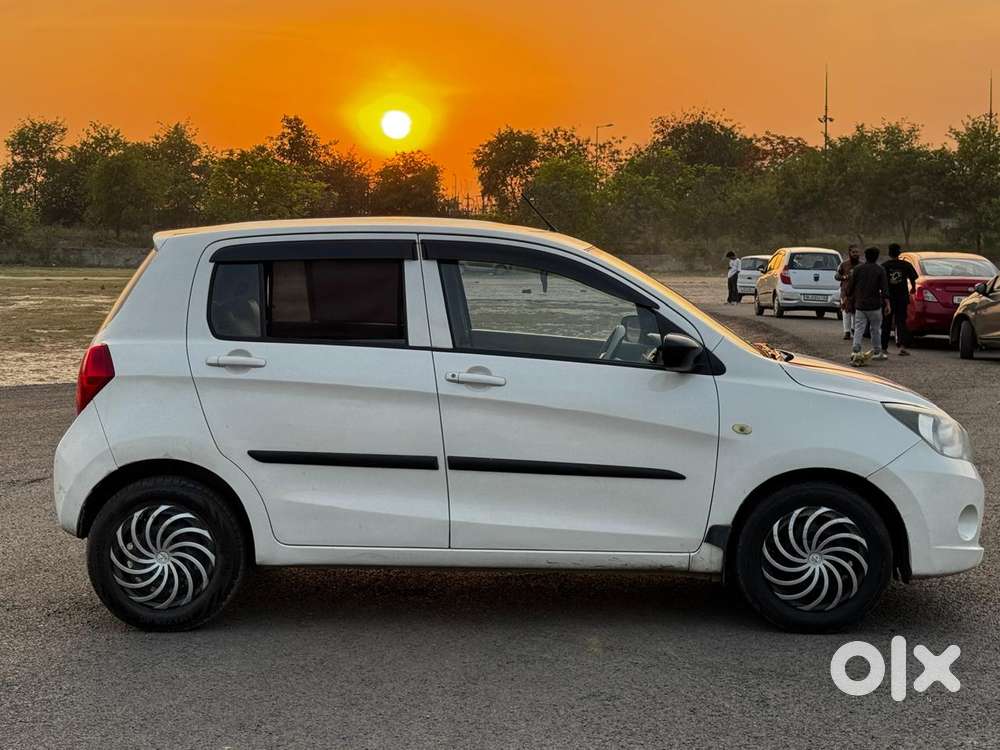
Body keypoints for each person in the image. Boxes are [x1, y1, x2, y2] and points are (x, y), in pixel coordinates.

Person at [846, 246, 890, 365]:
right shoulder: (880, 270)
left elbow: (850, 287)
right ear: (877, 257)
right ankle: (877, 351)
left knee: (859, 328)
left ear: (865, 256)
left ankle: (856, 349)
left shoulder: (858, 269)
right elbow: (884, 289)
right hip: (875, 305)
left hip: (860, 304)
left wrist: (848, 296)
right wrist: (887, 304)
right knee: (875, 329)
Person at [880, 243, 918, 355]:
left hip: (888, 298)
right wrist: (913, 289)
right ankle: (902, 347)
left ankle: (884, 348)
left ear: (889, 253)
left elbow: (881, 282)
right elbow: (913, 279)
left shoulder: (884, 266)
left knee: (886, 323)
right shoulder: (906, 265)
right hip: (902, 297)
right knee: (901, 322)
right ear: (899, 252)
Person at [835, 244, 861, 340]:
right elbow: (836, 276)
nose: (855, 254)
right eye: (853, 252)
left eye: (857, 252)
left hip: (857, 293)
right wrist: (844, 277)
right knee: (846, 312)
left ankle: (854, 329)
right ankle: (847, 332)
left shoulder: (862, 265)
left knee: (856, 312)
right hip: (845, 292)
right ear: (849, 253)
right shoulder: (844, 264)